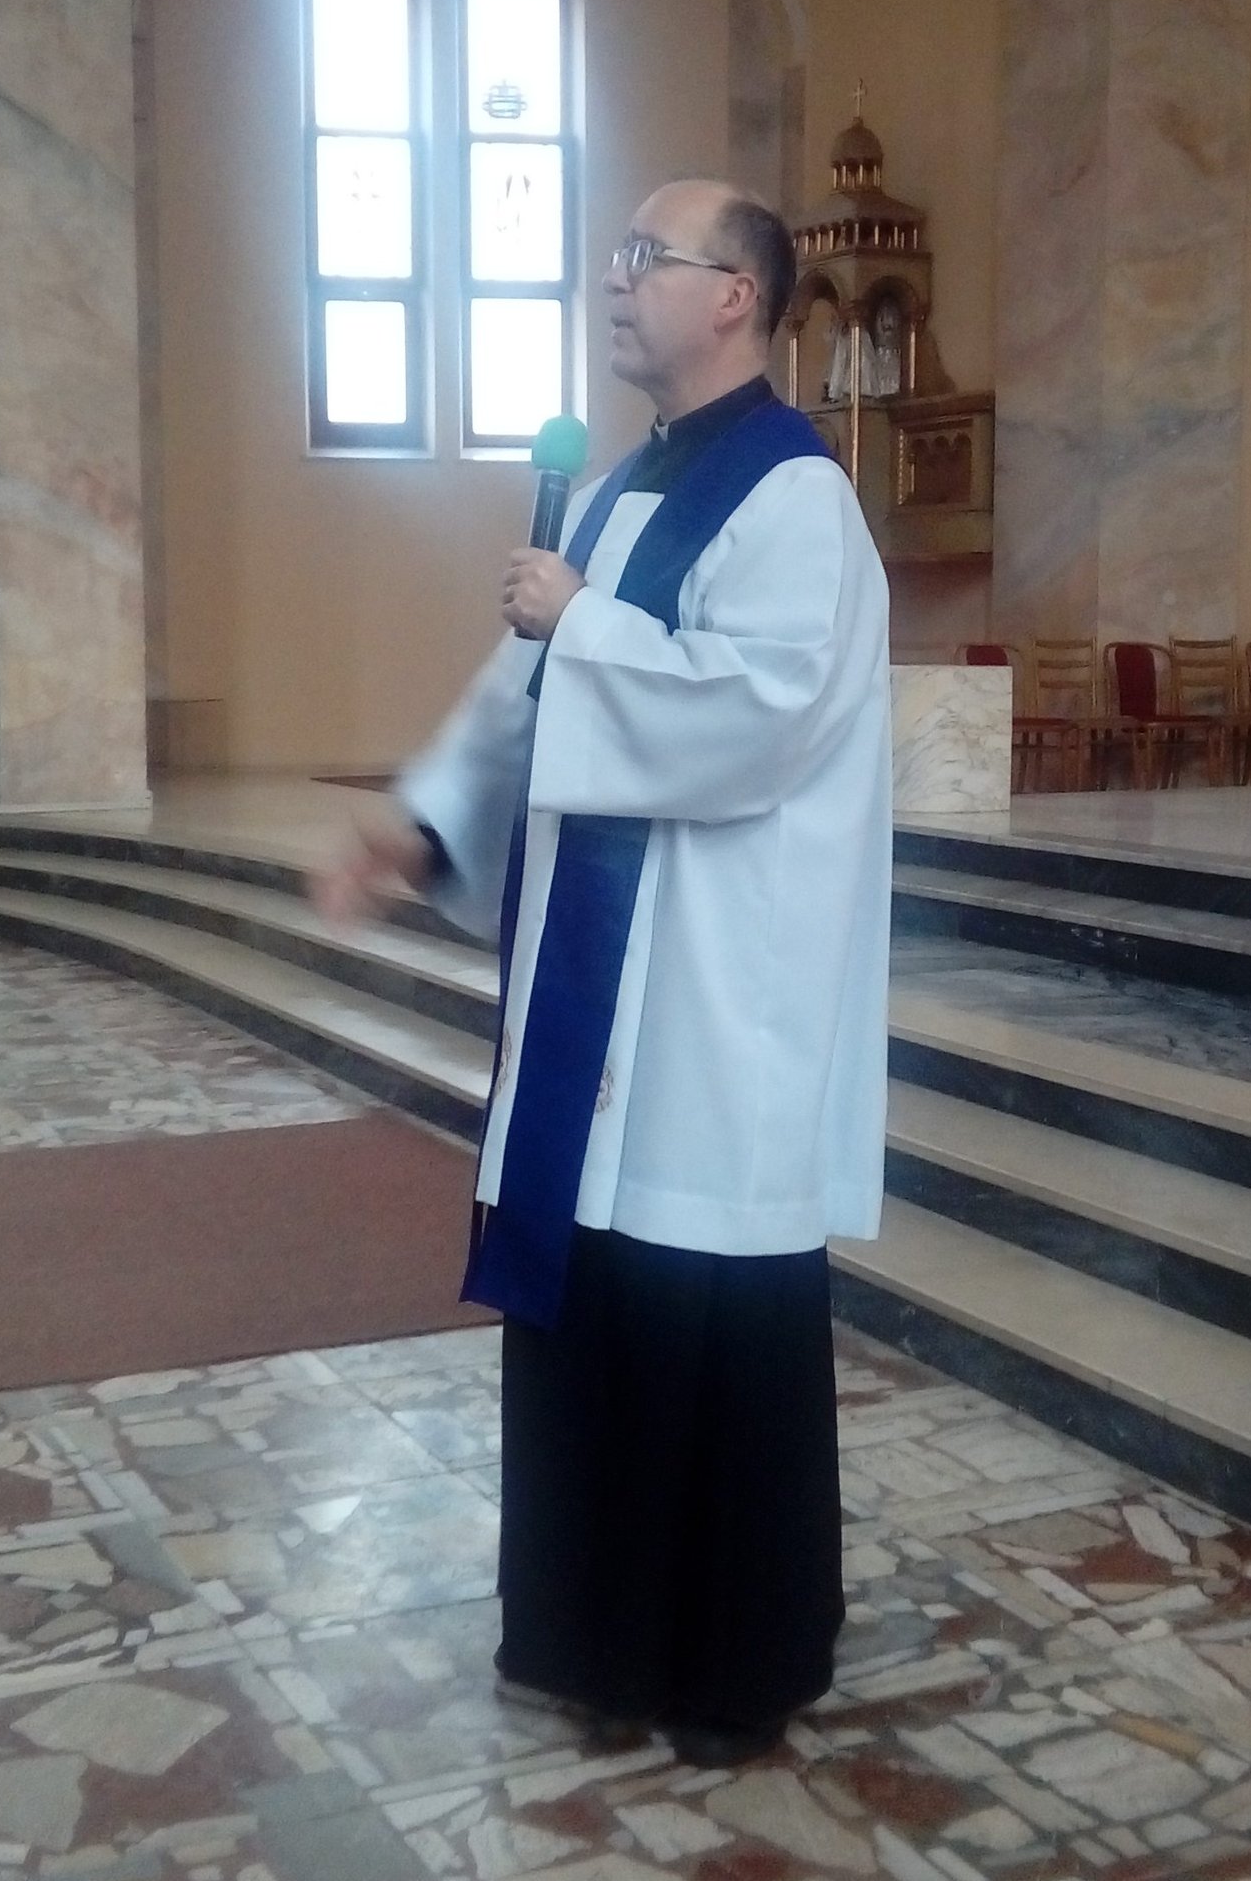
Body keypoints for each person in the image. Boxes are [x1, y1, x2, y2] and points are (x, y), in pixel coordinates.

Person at [318, 180, 891, 1765]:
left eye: (649, 257)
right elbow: (520, 694)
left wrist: (586, 627)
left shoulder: (797, 499)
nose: (616, 279)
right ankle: (589, 1633)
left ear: (738, 294)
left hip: (713, 991)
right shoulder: (623, 488)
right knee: (600, 1295)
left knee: (704, 1310)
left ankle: (730, 1663)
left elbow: (761, 712)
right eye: (617, 256)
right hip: (602, 979)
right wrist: (423, 825)